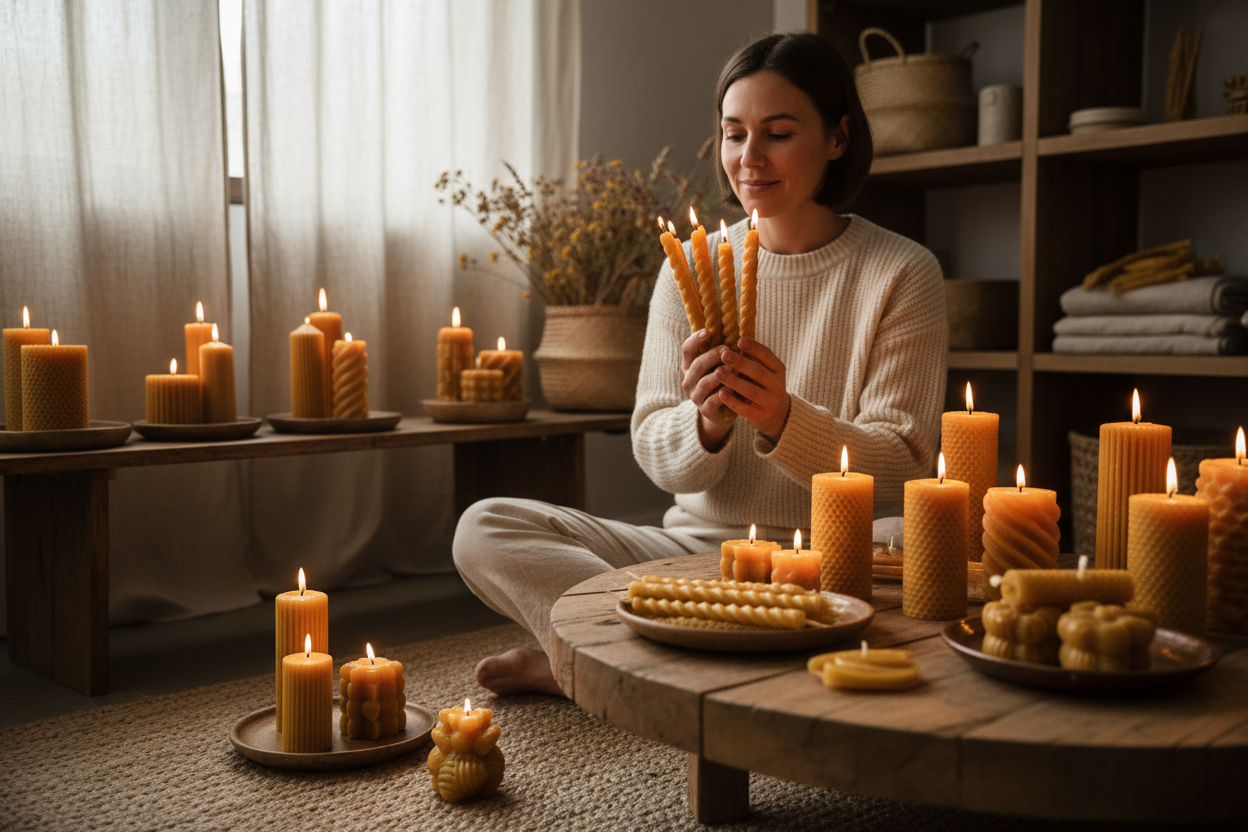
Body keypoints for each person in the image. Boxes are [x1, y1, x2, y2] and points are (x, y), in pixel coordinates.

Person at [452, 31, 946, 697]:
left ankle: (605, 655)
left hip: (828, 564)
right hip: (694, 558)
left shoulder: (902, 272)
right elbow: (656, 450)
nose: (749, 158)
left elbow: (904, 462)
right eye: (734, 134)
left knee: (926, 555)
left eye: (777, 132)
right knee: (484, 527)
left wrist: (782, 417)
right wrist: (707, 423)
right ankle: (618, 652)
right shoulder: (693, 265)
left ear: (837, 138)